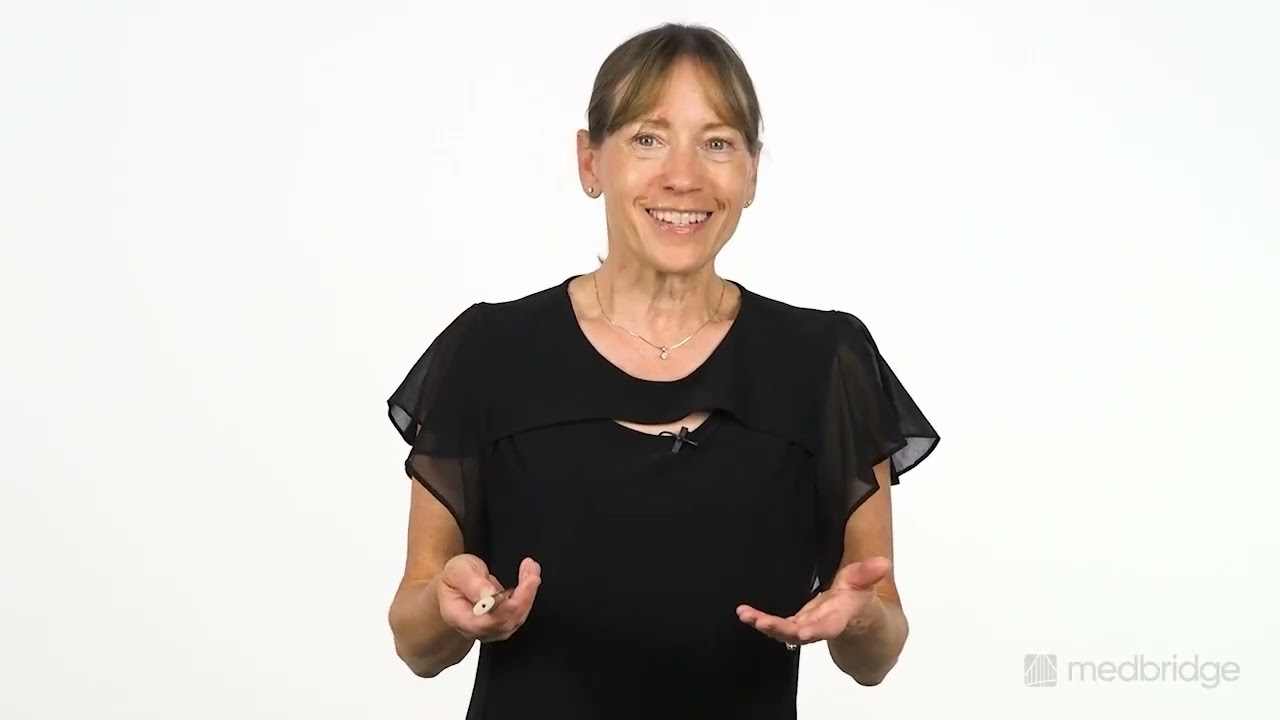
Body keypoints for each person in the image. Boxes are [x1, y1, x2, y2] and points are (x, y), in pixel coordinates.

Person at [384, 22, 940, 720]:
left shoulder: (825, 360)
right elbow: (416, 641)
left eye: (718, 143)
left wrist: (858, 618)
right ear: (590, 162)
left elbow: (878, 650)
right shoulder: (490, 351)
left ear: (752, 171)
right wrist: (449, 609)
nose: (685, 176)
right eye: (648, 138)